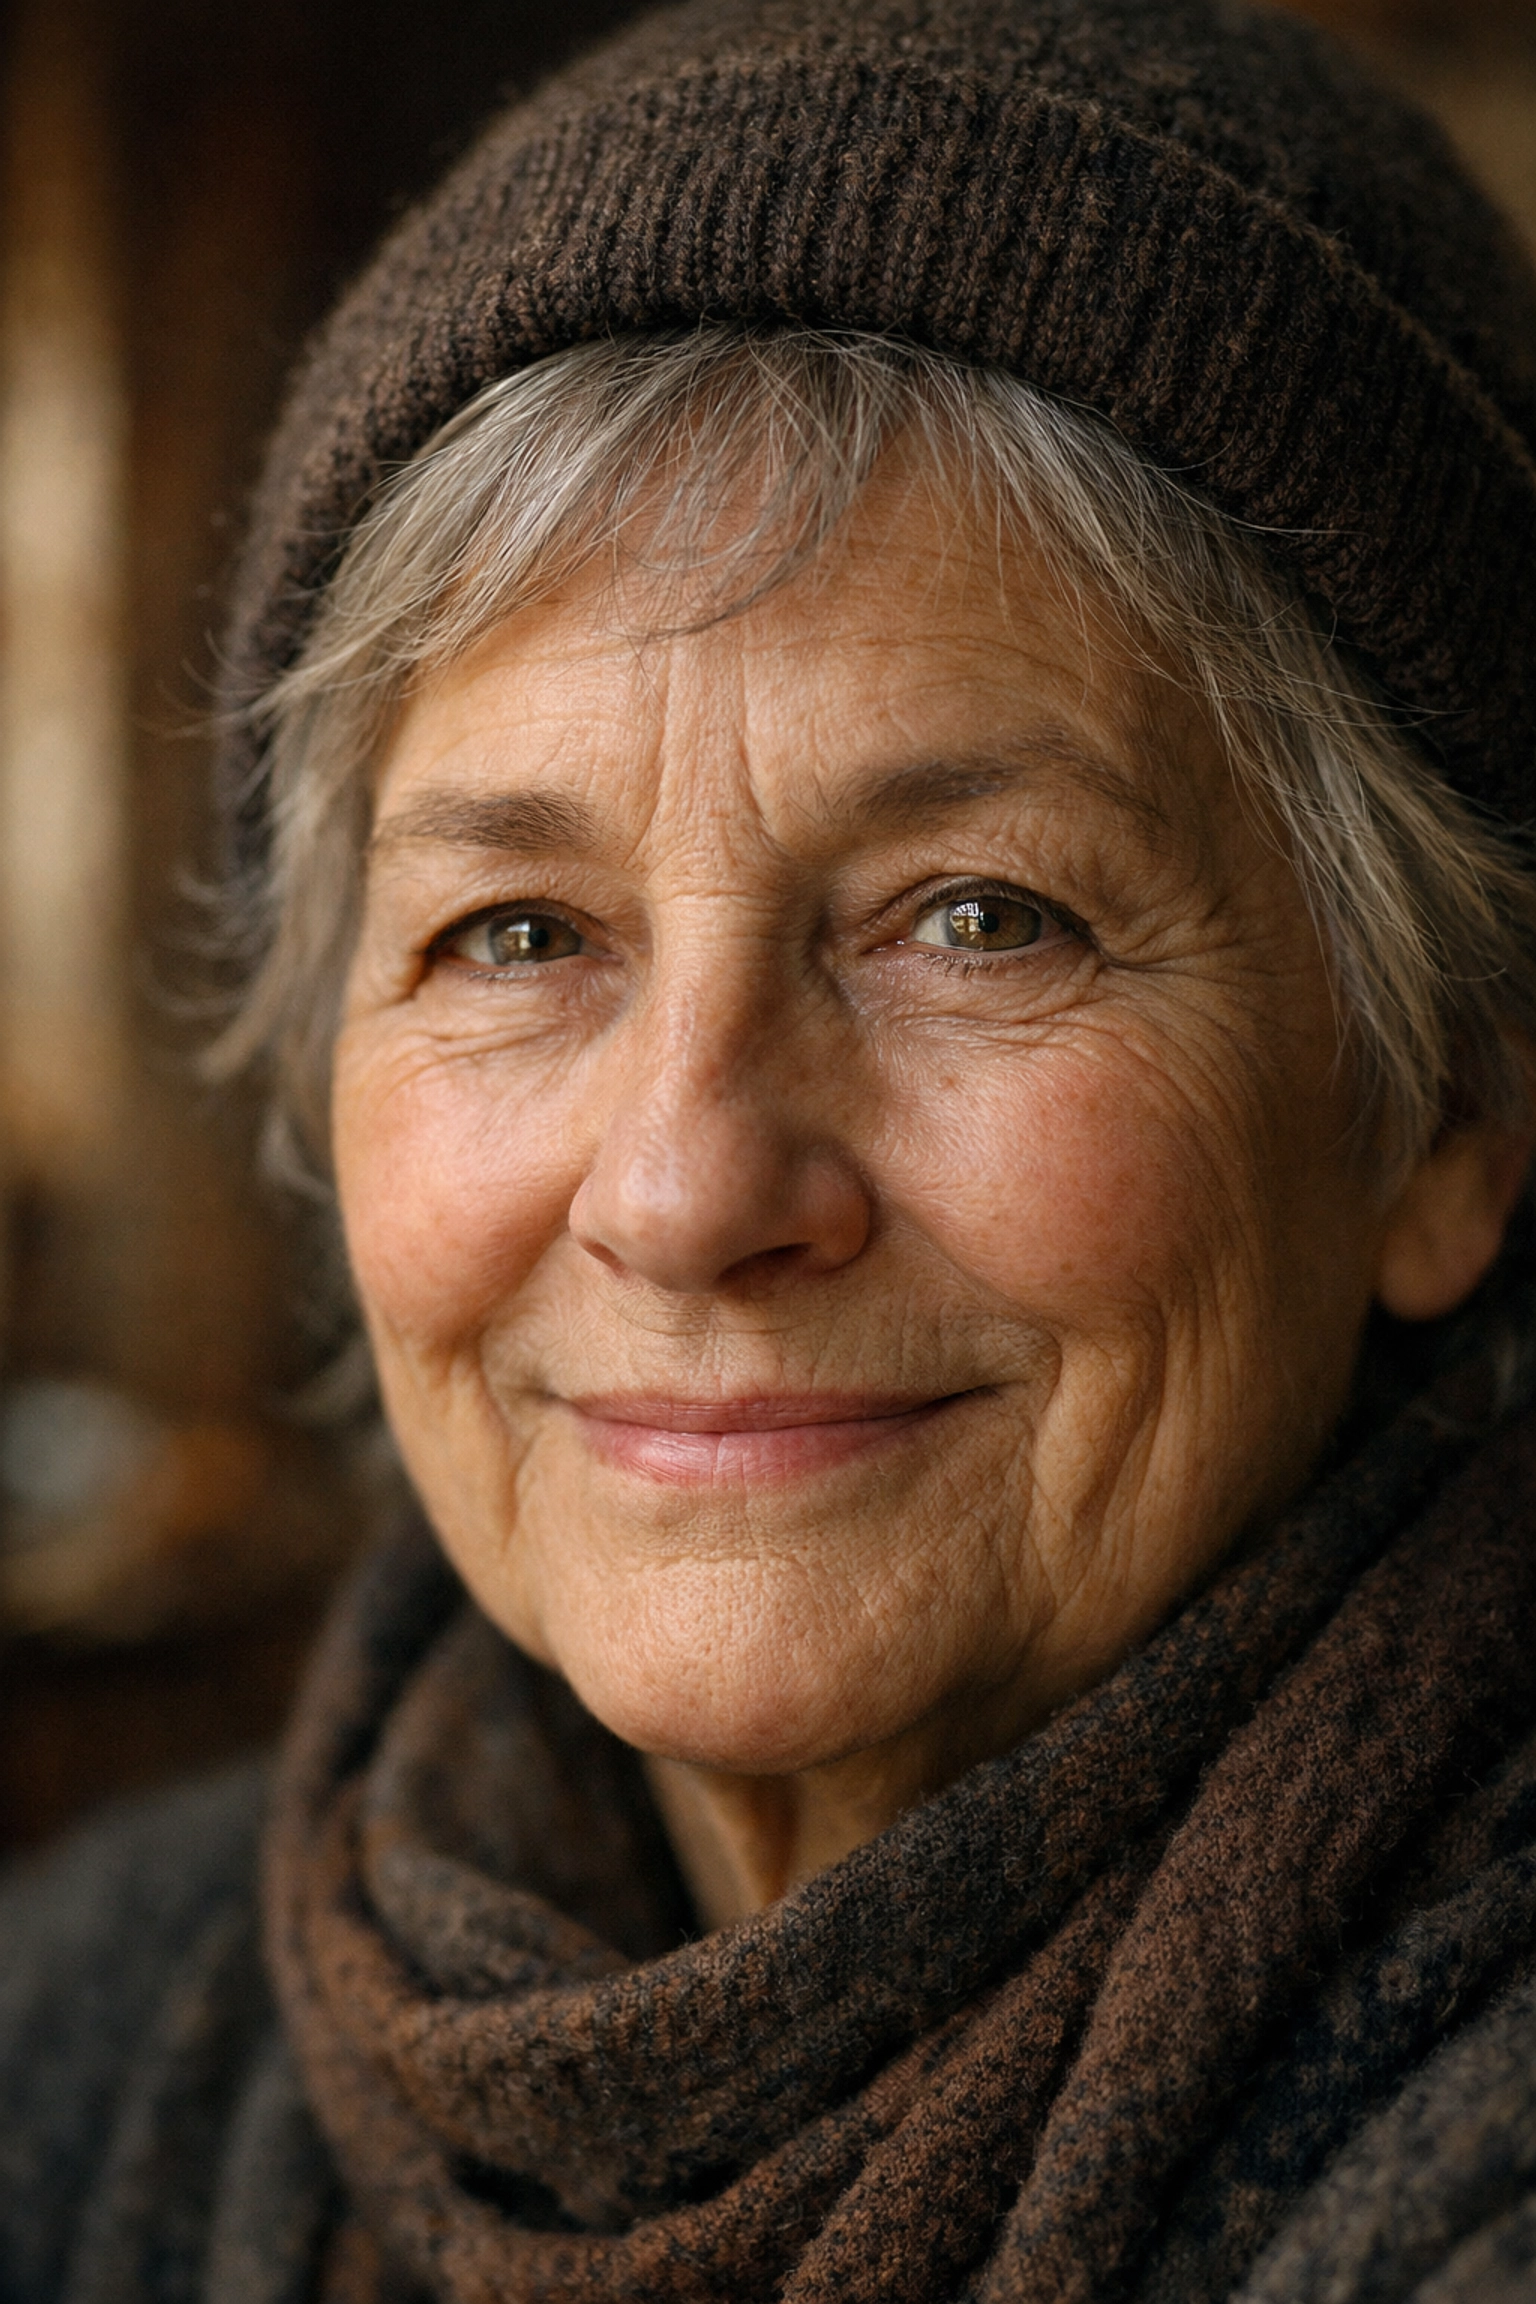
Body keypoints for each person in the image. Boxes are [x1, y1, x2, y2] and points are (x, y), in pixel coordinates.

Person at [5, 0, 1536, 2297]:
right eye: (516, 931)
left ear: (1442, 1114)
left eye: (978, 919)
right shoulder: (87, 2030)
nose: (690, 1190)